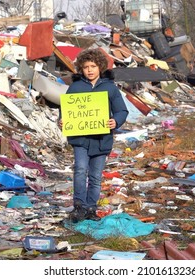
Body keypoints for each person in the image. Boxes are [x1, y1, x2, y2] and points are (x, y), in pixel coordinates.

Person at [59, 49, 129, 223]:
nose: (89, 70)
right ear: (81, 69)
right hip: (80, 139)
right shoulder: (75, 87)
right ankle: (79, 206)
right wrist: (62, 120)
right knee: (81, 170)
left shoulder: (110, 88)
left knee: (96, 176)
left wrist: (116, 121)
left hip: (101, 140)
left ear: (100, 67)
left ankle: (91, 208)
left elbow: (121, 110)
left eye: (93, 66)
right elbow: (65, 110)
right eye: (85, 67)